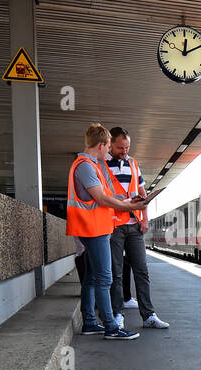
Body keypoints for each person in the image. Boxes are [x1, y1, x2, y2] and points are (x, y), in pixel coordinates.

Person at [66, 123, 147, 340]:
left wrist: (129, 200)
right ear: (102, 145)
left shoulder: (91, 164)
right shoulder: (85, 165)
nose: (109, 149)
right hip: (93, 228)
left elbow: (104, 196)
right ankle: (111, 326)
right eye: (109, 145)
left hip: (95, 227)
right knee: (105, 278)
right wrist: (131, 207)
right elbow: (101, 199)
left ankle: (90, 323)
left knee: (92, 278)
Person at [105, 127, 169, 329]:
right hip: (113, 225)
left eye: (127, 147)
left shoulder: (133, 163)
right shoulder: (101, 164)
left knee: (141, 270)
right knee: (115, 272)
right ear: (110, 144)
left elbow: (142, 193)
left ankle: (148, 316)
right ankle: (117, 315)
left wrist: (145, 219)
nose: (124, 151)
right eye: (120, 147)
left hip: (134, 225)